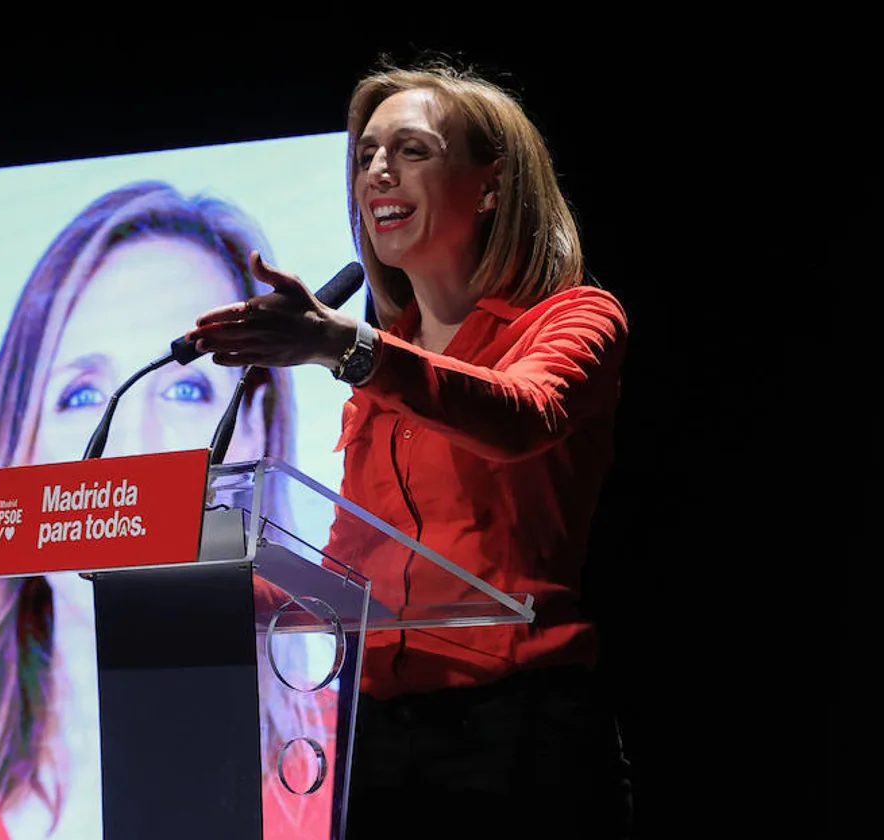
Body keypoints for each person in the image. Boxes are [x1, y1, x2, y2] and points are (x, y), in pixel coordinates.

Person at [184, 61, 633, 839]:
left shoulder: (573, 318)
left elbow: (524, 414)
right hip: (378, 737)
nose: (378, 171)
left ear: (491, 185)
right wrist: (192, 573)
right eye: (365, 155)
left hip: (520, 733)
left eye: (412, 150)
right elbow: (346, 584)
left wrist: (349, 347)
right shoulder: (382, 370)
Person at [0, 181, 335, 839]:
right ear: (17, 455)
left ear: (256, 437)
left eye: (187, 389)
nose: (136, 449)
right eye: (80, 397)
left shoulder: (344, 766)